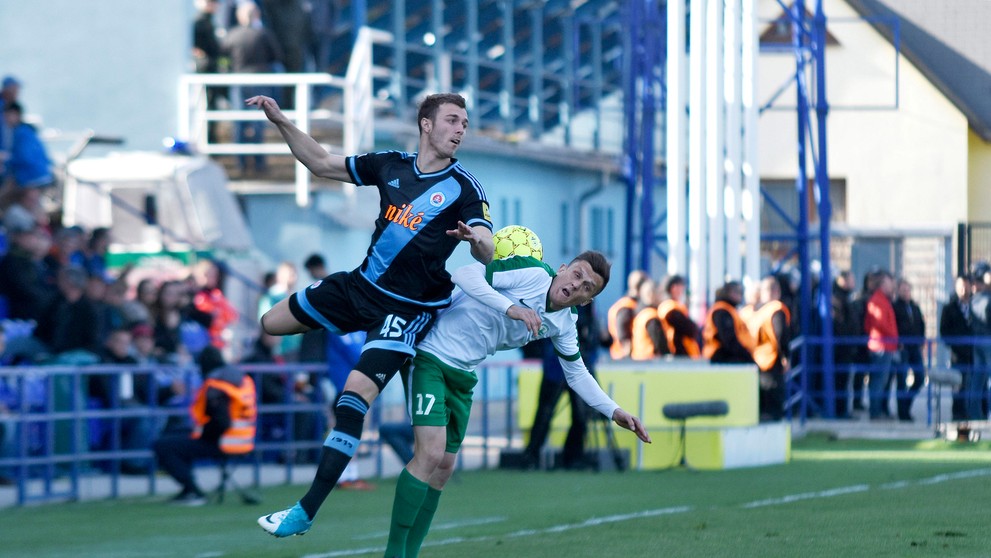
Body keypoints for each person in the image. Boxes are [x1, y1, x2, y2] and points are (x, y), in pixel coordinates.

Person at [248, 91, 494, 537]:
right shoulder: (390, 165)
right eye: (453, 121)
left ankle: (304, 511)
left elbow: (487, 245)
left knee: (353, 397)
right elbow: (321, 162)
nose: (461, 130)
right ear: (426, 124)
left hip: (407, 310)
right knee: (271, 323)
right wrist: (281, 121)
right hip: (358, 287)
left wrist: (474, 240)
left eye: (465, 123)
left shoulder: (465, 188)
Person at [384, 252, 651, 557]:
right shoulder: (533, 273)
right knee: (430, 453)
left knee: (444, 467)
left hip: (464, 372)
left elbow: (576, 373)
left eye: (588, 287)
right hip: (431, 353)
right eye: (577, 275)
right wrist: (511, 308)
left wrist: (614, 410)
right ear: (563, 269)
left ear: (586, 301)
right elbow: (463, 275)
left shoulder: (564, 322)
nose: (578, 285)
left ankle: (411, 553)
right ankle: (394, 554)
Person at [152, 346, 257, 506]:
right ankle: (190, 489)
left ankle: (192, 491)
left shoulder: (216, 384)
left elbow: (221, 422)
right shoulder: (242, 379)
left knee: (163, 445)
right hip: (243, 441)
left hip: (223, 442)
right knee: (175, 433)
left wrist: (202, 434)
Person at [221, 1, 283, 174]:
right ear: (256, 15)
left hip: (238, 82)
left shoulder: (232, 35)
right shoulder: (263, 34)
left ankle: (240, 164)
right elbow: (276, 55)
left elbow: (223, 55)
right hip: (259, 81)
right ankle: (259, 163)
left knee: (239, 122)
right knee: (257, 123)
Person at [746, 276, 791, 422]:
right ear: (777, 291)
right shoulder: (775, 309)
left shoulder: (754, 311)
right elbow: (780, 335)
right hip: (771, 360)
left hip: (753, 359)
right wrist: (785, 357)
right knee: (774, 406)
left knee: (761, 406)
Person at [864, 271, 898, 420]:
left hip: (885, 346)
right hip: (881, 346)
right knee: (879, 380)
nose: (892, 286)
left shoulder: (882, 300)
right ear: (883, 284)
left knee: (882, 380)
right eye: (889, 283)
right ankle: (875, 412)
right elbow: (880, 324)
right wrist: (894, 337)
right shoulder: (877, 300)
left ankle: (878, 410)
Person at [939, 274, 973, 421]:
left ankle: (975, 412)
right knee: (958, 384)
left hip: (974, 352)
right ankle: (958, 413)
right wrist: (951, 347)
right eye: (961, 286)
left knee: (975, 383)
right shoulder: (949, 308)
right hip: (958, 353)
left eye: (966, 285)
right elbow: (944, 331)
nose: (963, 289)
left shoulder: (975, 305)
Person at [892, 278, 925, 422]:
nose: (906, 293)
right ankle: (902, 413)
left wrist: (921, 340)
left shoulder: (915, 307)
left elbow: (921, 324)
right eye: (903, 290)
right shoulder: (894, 307)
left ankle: (906, 405)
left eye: (908, 290)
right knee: (901, 381)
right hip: (902, 348)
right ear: (898, 291)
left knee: (920, 378)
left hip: (915, 348)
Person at [702, 280, 756, 364]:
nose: (740, 295)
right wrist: (746, 357)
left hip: (726, 357)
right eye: (737, 292)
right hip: (721, 357)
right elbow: (729, 340)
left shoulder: (729, 310)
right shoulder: (722, 311)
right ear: (729, 293)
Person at [2, 102, 53, 189]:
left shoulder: (22, 133)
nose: (5, 119)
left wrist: (7, 158)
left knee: (4, 196)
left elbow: (25, 158)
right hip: (38, 175)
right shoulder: (24, 130)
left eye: (8, 115)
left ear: (17, 115)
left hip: (34, 178)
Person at [966, 263, 991, 420]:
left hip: (977, 341)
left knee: (978, 379)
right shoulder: (987, 299)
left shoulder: (973, 299)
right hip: (988, 340)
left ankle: (975, 414)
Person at [606, 269, 647, 360]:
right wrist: (627, 353)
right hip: (623, 355)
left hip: (617, 352)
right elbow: (623, 332)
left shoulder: (622, 303)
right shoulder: (628, 306)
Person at [629, 278, 667, 361]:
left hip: (640, 359)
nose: (663, 297)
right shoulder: (651, 317)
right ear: (652, 295)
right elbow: (660, 344)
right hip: (650, 362)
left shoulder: (641, 313)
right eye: (660, 293)